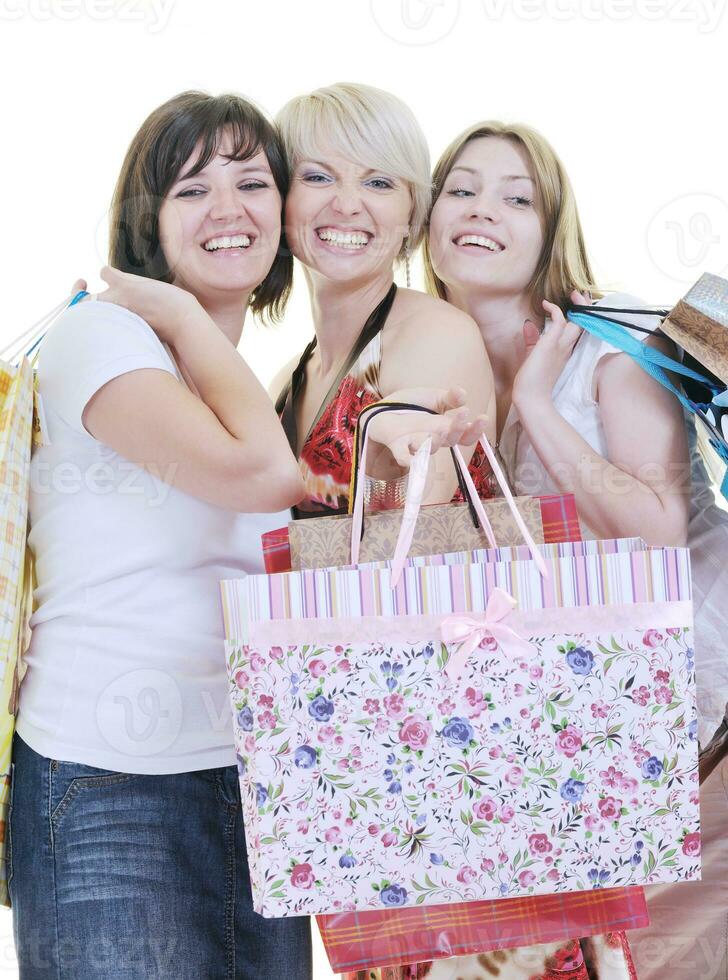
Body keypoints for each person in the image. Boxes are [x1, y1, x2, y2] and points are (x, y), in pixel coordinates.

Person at [9, 89, 313, 980]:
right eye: (190, 190)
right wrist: (179, 313)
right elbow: (262, 477)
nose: (228, 209)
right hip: (110, 781)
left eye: (253, 182)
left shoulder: (244, 381)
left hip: (247, 775)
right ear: (148, 224)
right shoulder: (103, 336)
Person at [425, 119, 728, 979]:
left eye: (517, 198)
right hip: (600, 737)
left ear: (551, 230)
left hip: (705, 715)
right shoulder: (431, 359)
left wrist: (539, 404)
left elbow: (656, 528)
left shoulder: (609, 344)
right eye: (462, 189)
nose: (484, 210)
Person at [272, 82, 495, 522]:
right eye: (318, 177)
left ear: (412, 211)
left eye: (379, 182)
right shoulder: (283, 384)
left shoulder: (436, 335)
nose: (348, 204)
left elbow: (408, 543)